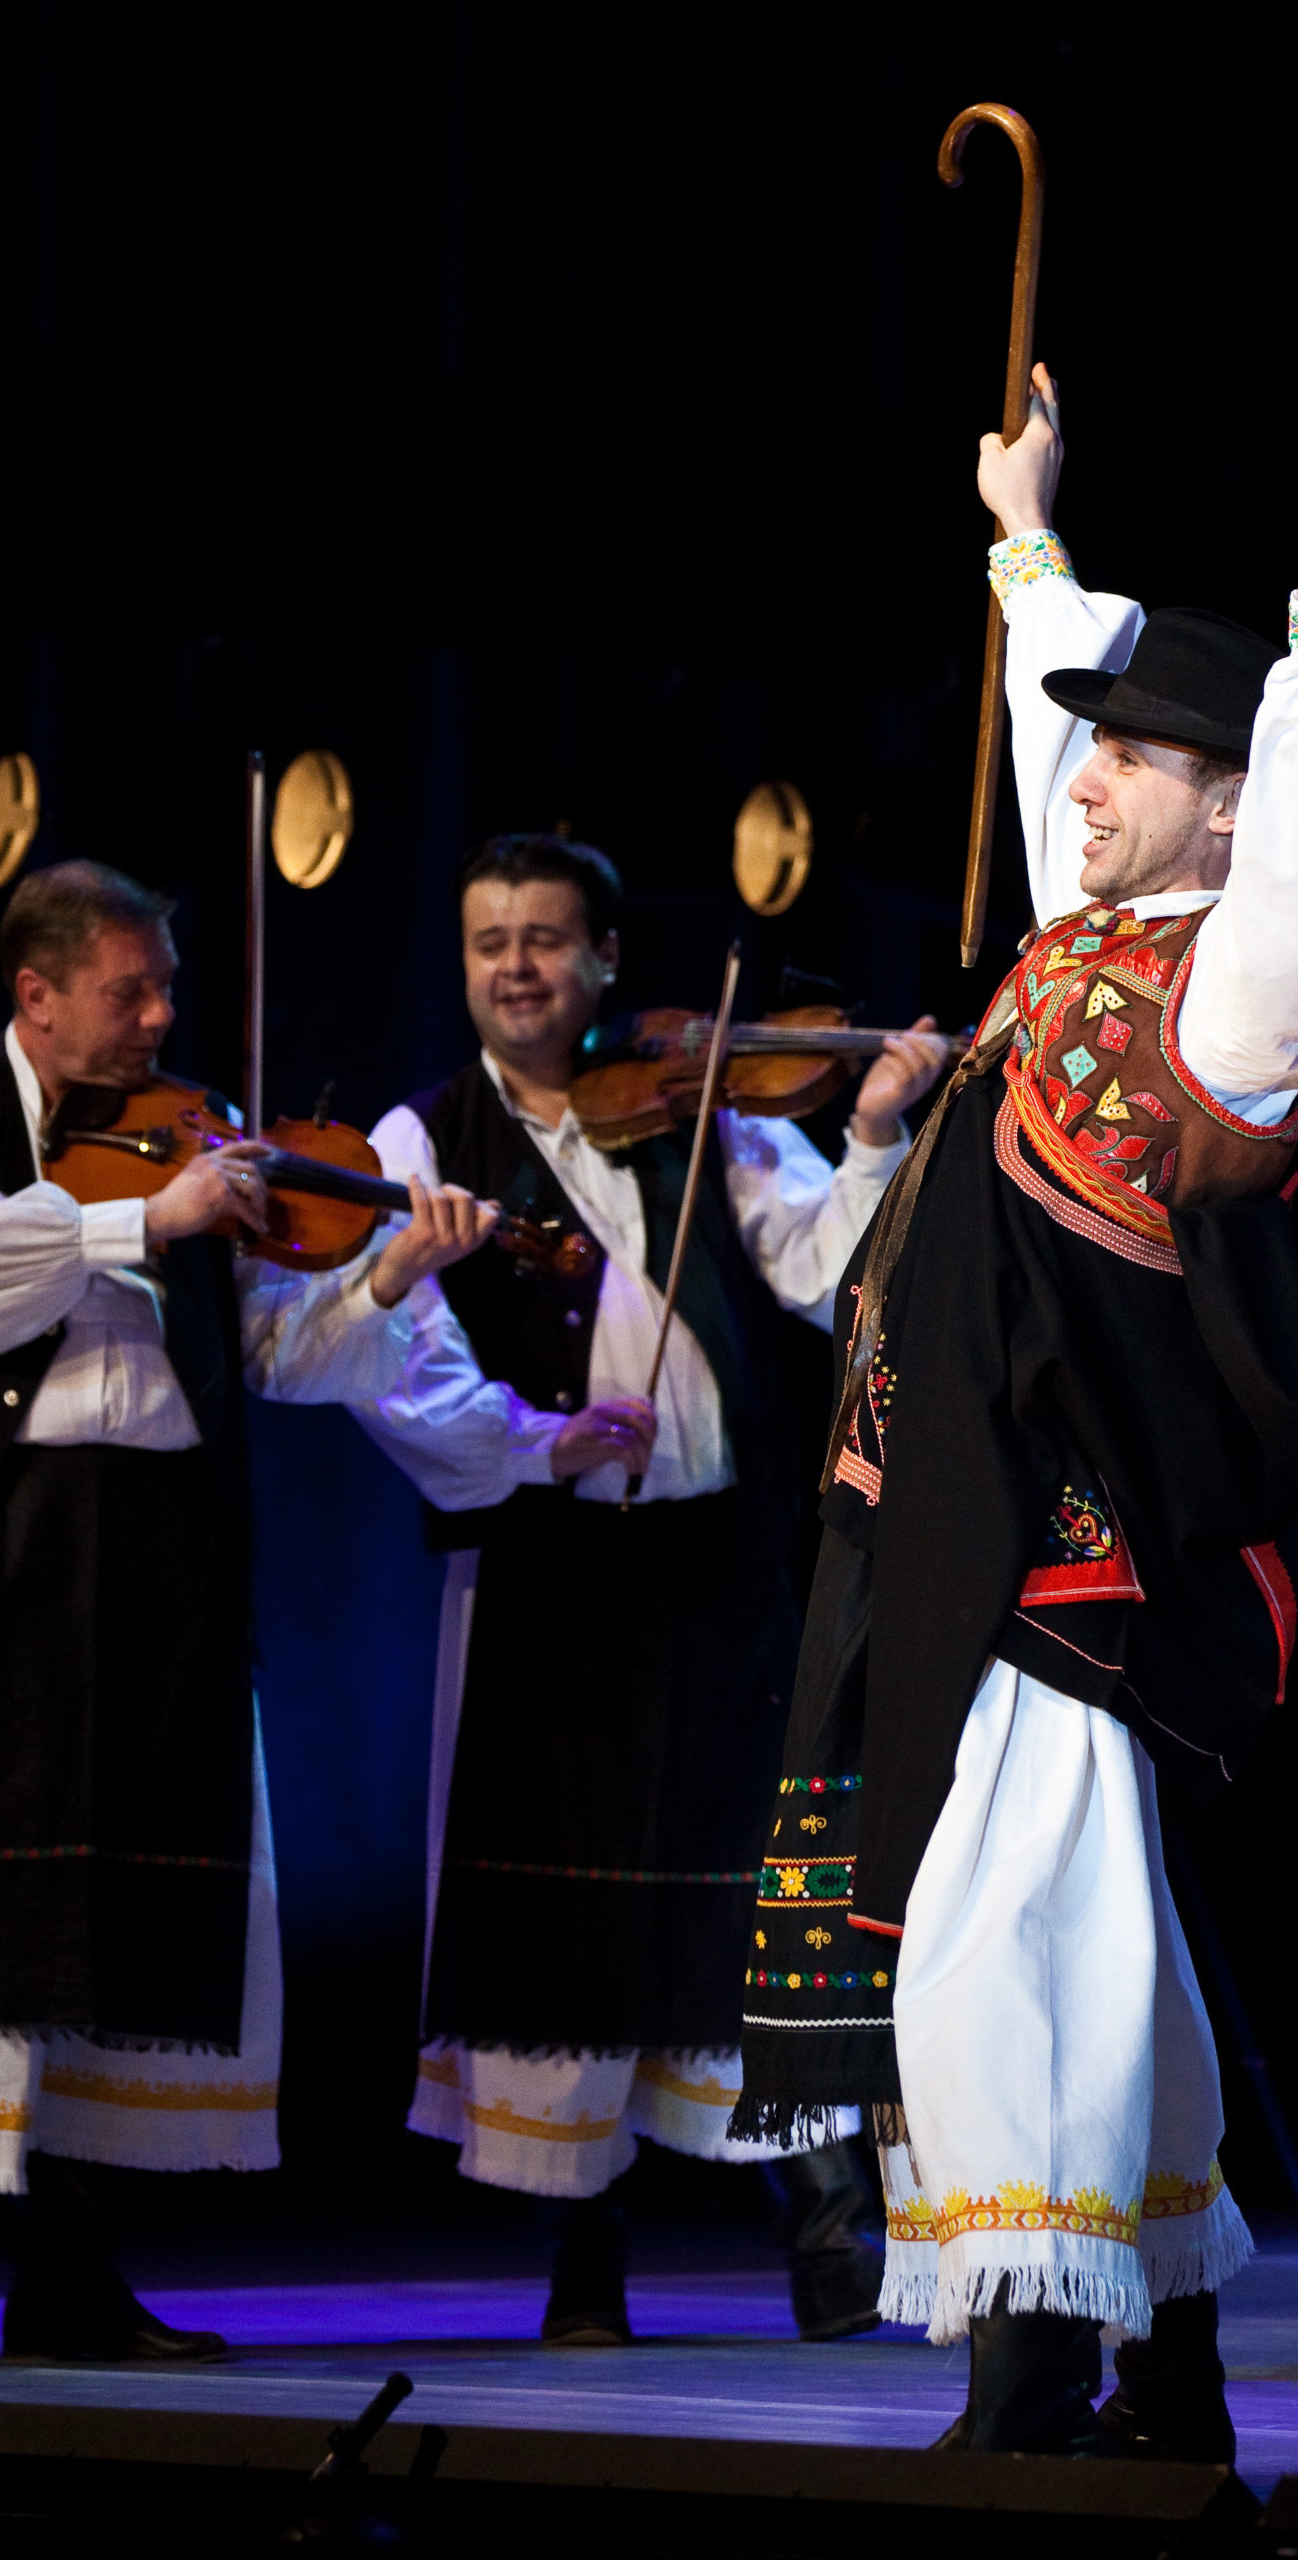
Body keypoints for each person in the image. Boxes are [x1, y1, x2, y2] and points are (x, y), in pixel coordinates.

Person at [730, 366, 1298, 2459]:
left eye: (1141, 758)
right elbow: (1074, 788)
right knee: (1078, 1925)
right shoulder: (1083, 944)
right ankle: (1173, 2352)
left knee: (1008, 1924)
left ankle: (1030, 2352)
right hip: (968, 1510)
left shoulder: (1235, 993)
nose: (1095, 783)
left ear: (1234, 808)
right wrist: (1025, 540)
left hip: (1082, 1536)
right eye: (1099, 750)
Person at [0, 860, 492, 2367]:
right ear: (36, 995)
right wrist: (136, 1221)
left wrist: (389, 1273)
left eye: (167, 986)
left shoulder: (194, 1141)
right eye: (130, 991)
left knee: (131, 1903)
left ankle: (72, 2270)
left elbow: (278, 1352)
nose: (163, 1016)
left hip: (162, 1546)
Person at [354, 830, 948, 2343]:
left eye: (545, 939)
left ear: (604, 957)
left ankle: (829, 2229)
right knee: (565, 1924)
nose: (516, 968)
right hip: (547, 1577)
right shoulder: (423, 1139)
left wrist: (877, 1130)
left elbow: (825, 1271)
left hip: (717, 1564)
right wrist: (531, 1442)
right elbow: (393, 1363)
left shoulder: (701, 1104)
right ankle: (583, 2258)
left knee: (756, 1897)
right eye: (490, 941)